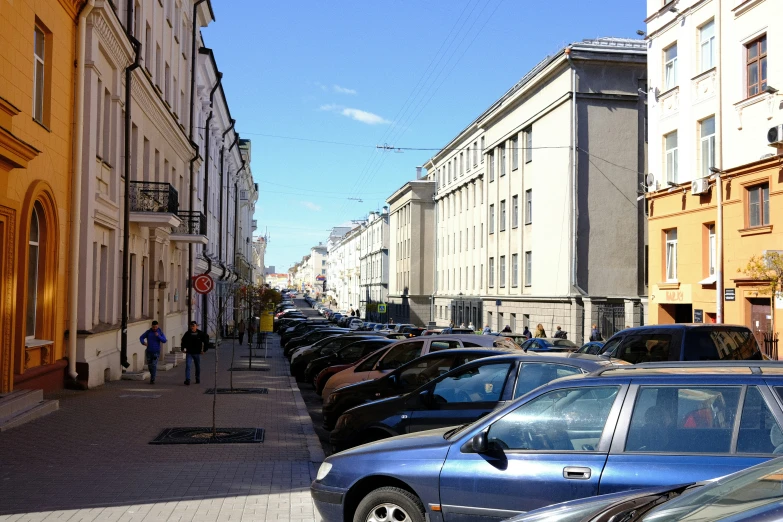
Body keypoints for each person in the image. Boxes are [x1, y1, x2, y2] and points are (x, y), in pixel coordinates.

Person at [181, 321, 208, 385]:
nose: (192, 327)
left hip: (197, 353)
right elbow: (183, 341)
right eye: (191, 326)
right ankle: (187, 379)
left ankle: (197, 378)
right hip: (189, 352)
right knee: (188, 365)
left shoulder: (200, 333)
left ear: (196, 326)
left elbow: (206, 340)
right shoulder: (187, 333)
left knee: (197, 366)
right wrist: (182, 348)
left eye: (193, 326)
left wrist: (204, 350)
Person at [140, 320, 167, 384]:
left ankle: (153, 378)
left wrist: (158, 336)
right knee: (149, 365)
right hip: (149, 351)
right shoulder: (148, 332)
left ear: (158, 326)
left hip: (156, 351)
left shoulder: (160, 332)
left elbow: (164, 340)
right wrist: (143, 342)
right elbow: (141, 337)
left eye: (156, 327)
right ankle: (152, 374)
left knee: (154, 364)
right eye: (153, 327)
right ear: (151, 326)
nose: (155, 328)